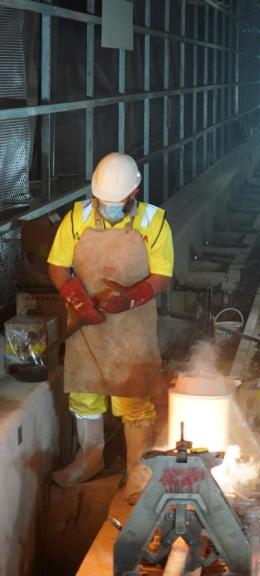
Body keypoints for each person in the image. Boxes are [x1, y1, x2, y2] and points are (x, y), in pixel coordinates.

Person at [48, 152, 173, 503]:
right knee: (84, 391)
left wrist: (130, 298)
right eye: (104, 201)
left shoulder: (154, 222)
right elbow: (58, 267)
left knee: (133, 395)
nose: (109, 207)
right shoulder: (77, 218)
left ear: (134, 193)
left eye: (116, 202)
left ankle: (138, 469)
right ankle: (89, 457)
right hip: (86, 324)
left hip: (131, 325)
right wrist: (77, 299)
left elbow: (161, 275)